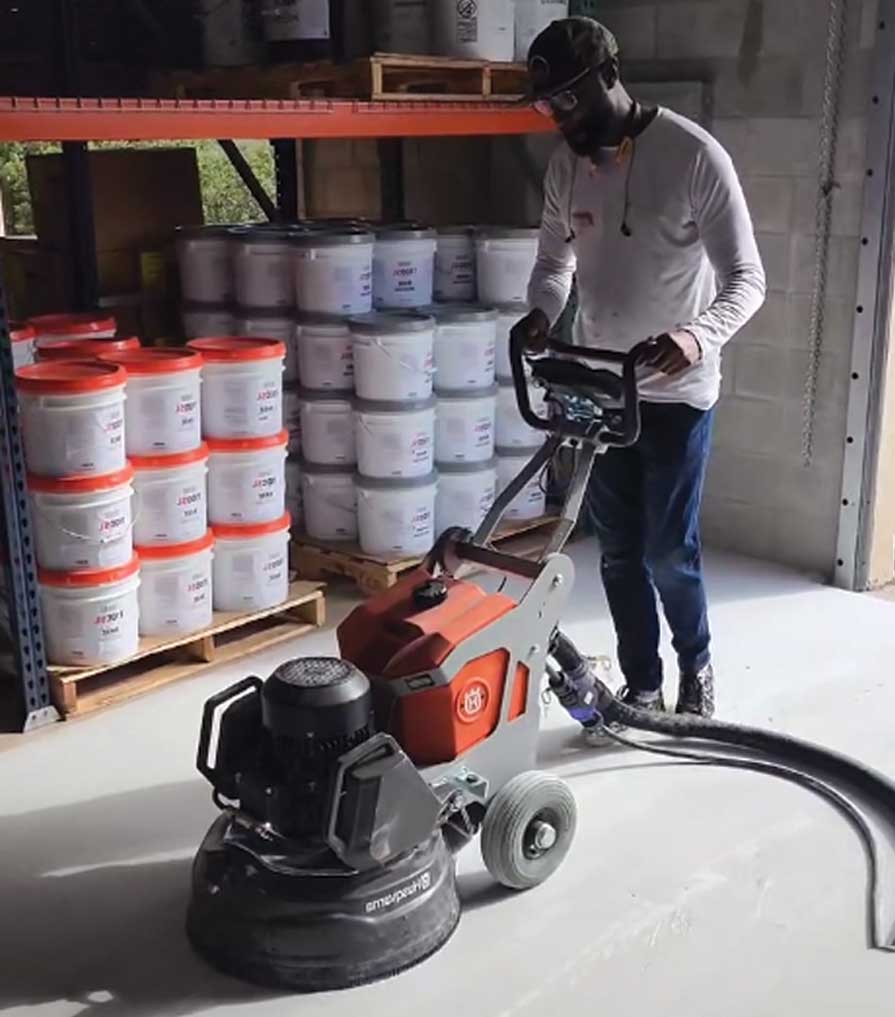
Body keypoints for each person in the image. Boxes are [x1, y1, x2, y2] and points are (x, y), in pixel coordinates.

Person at [513, 17, 766, 725]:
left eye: (565, 101)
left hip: (678, 391)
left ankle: (696, 664)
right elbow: (551, 265)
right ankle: (642, 682)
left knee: (666, 553)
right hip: (602, 387)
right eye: (544, 107)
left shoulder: (692, 157)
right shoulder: (568, 166)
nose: (556, 119)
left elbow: (747, 279)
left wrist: (695, 335)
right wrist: (541, 313)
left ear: (605, 78)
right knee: (617, 553)